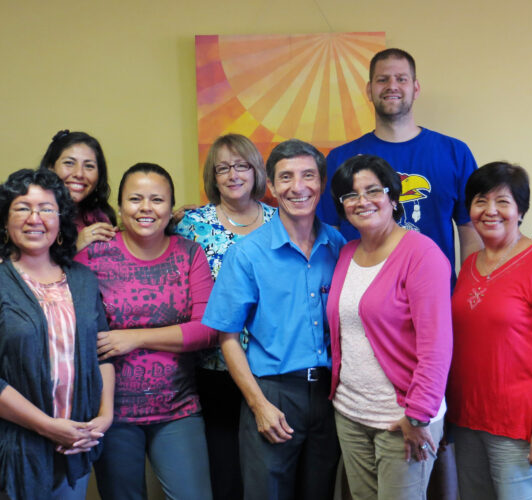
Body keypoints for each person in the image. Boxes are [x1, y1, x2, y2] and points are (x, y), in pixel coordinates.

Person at [203, 139, 346, 500]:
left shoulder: (338, 245)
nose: (298, 187)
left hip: (330, 395)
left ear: (322, 182)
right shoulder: (247, 253)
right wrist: (258, 405)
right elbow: (227, 338)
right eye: (286, 177)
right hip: (273, 393)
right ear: (270, 184)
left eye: (308, 175)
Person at [0, 168, 114, 500]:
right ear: (4, 220)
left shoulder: (84, 280)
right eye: (22, 208)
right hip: (11, 454)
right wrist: (47, 427)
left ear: (61, 221)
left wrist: (105, 417)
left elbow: (101, 353)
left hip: (76, 448)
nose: (35, 218)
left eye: (46, 209)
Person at [74, 163, 217, 500]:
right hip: (111, 413)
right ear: (120, 206)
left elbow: (207, 330)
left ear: (171, 207)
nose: (146, 208)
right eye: (135, 199)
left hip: (178, 408)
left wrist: (134, 338)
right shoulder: (93, 255)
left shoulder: (190, 253)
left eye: (157, 199)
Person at [448, 162, 532, 500]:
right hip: (468, 420)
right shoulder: (469, 265)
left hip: (522, 426)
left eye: (503, 202)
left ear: (520, 211)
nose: (490, 210)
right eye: (480, 201)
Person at [326, 155, 452, 499]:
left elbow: (437, 346)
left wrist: (419, 415)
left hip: (403, 419)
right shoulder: (346, 253)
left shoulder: (422, 254)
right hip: (350, 413)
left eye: (373, 191)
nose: (362, 201)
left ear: (393, 197)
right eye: (350, 195)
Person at [317, 48, 482, 286]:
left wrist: (470, 292)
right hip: (359, 295)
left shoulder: (455, 153)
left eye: (401, 79)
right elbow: (329, 234)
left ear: (416, 88)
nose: (391, 86)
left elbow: (470, 229)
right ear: (369, 90)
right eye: (382, 79)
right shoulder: (340, 158)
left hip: (435, 292)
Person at [176, 133, 275, 500]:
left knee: (269, 472)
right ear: (213, 177)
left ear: (256, 171)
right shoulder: (191, 224)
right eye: (223, 168)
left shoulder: (281, 222)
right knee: (225, 472)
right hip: (213, 367)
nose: (233, 175)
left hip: (270, 367)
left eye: (242, 166)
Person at [0, 130, 117, 265]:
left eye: (89, 166)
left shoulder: (101, 217)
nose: (79, 174)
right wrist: (76, 244)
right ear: (50, 168)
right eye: (69, 163)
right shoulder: (25, 214)